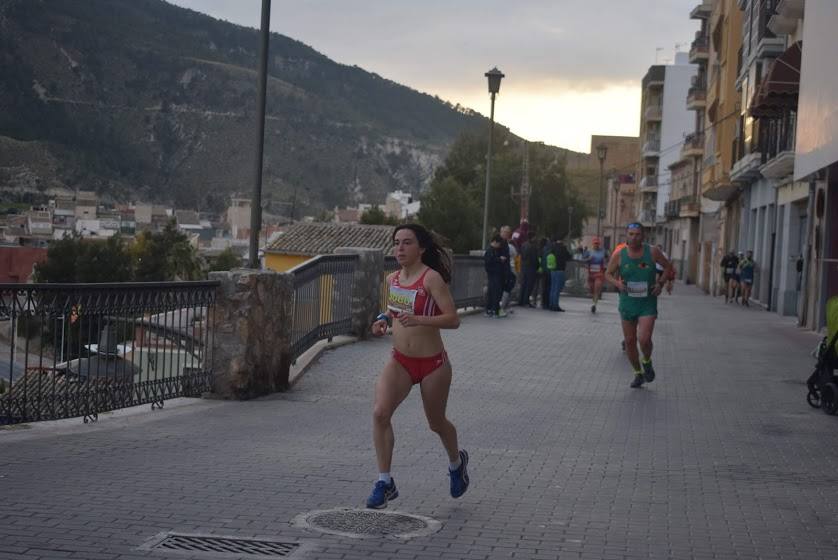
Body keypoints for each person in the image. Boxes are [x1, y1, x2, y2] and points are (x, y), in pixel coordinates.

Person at [368, 223, 468, 508]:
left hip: (433, 364)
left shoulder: (431, 279)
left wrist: (421, 319)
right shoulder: (393, 280)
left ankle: (456, 463)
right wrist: (383, 320)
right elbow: (393, 308)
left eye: (407, 243)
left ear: (421, 248)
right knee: (379, 412)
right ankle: (384, 481)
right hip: (400, 361)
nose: (399, 248)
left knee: (436, 423)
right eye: (396, 243)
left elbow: (453, 319)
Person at [605, 223, 674, 388]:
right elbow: (607, 273)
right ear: (626, 235)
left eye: (637, 234)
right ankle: (638, 373)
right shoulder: (620, 255)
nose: (633, 237)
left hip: (647, 302)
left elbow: (668, 267)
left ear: (643, 236)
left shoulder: (652, 252)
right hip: (627, 302)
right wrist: (617, 284)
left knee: (644, 339)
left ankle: (647, 361)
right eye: (630, 234)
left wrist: (660, 283)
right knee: (629, 341)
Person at [484, 235, 506, 318]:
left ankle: (490, 309)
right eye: (499, 244)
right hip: (493, 274)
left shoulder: (492, 250)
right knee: (495, 292)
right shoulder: (490, 251)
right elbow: (489, 262)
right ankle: (493, 310)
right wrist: (499, 259)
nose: (499, 246)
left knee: (492, 291)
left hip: (493, 274)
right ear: (495, 242)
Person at [583, 237, 607, 313]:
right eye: (595, 243)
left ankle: (594, 305)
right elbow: (583, 260)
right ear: (592, 244)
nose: (596, 245)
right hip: (591, 274)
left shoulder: (603, 251)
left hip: (599, 273)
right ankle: (594, 300)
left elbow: (608, 259)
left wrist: (606, 263)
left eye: (597, 243)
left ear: (599, 244)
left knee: (597, 289)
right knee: (592, 290)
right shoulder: (588, 251)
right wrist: (588, 259)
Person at [548, 239, 572, 312]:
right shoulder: (562, 248)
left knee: (552, 288)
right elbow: (568, 257)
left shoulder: (552, 247)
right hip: (560, 270)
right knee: (557, 289)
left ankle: (551, 304)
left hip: (552, 270)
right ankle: (555, 305)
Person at [499, 225, 517, 315]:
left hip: (508, 269)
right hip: (502, 270)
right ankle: (501, 308)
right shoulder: (500, 243)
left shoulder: (507, 245)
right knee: (505, 289)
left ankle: (504, 307)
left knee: (508, 288)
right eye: (504, 232)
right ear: (501, 232)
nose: (506, 234)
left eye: (507, 232)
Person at [518, 231, 539, 308]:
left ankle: (520, 300)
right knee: (529, 285)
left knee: (523, 284)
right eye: (535, 237)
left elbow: (521, 255)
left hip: (524, 267)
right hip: (531, 268)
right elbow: (534, 259)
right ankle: (526, 301)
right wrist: (537, 266)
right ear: (532, 237)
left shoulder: (523, 245)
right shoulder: (533, 247)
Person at [540, 237, 552, 310]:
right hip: (549, 271)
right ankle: (546, 303)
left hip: (543, 270)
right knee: (548, 288)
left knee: (544, 287)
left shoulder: (543, 250)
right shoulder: (550, 250)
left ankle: (543, 302)